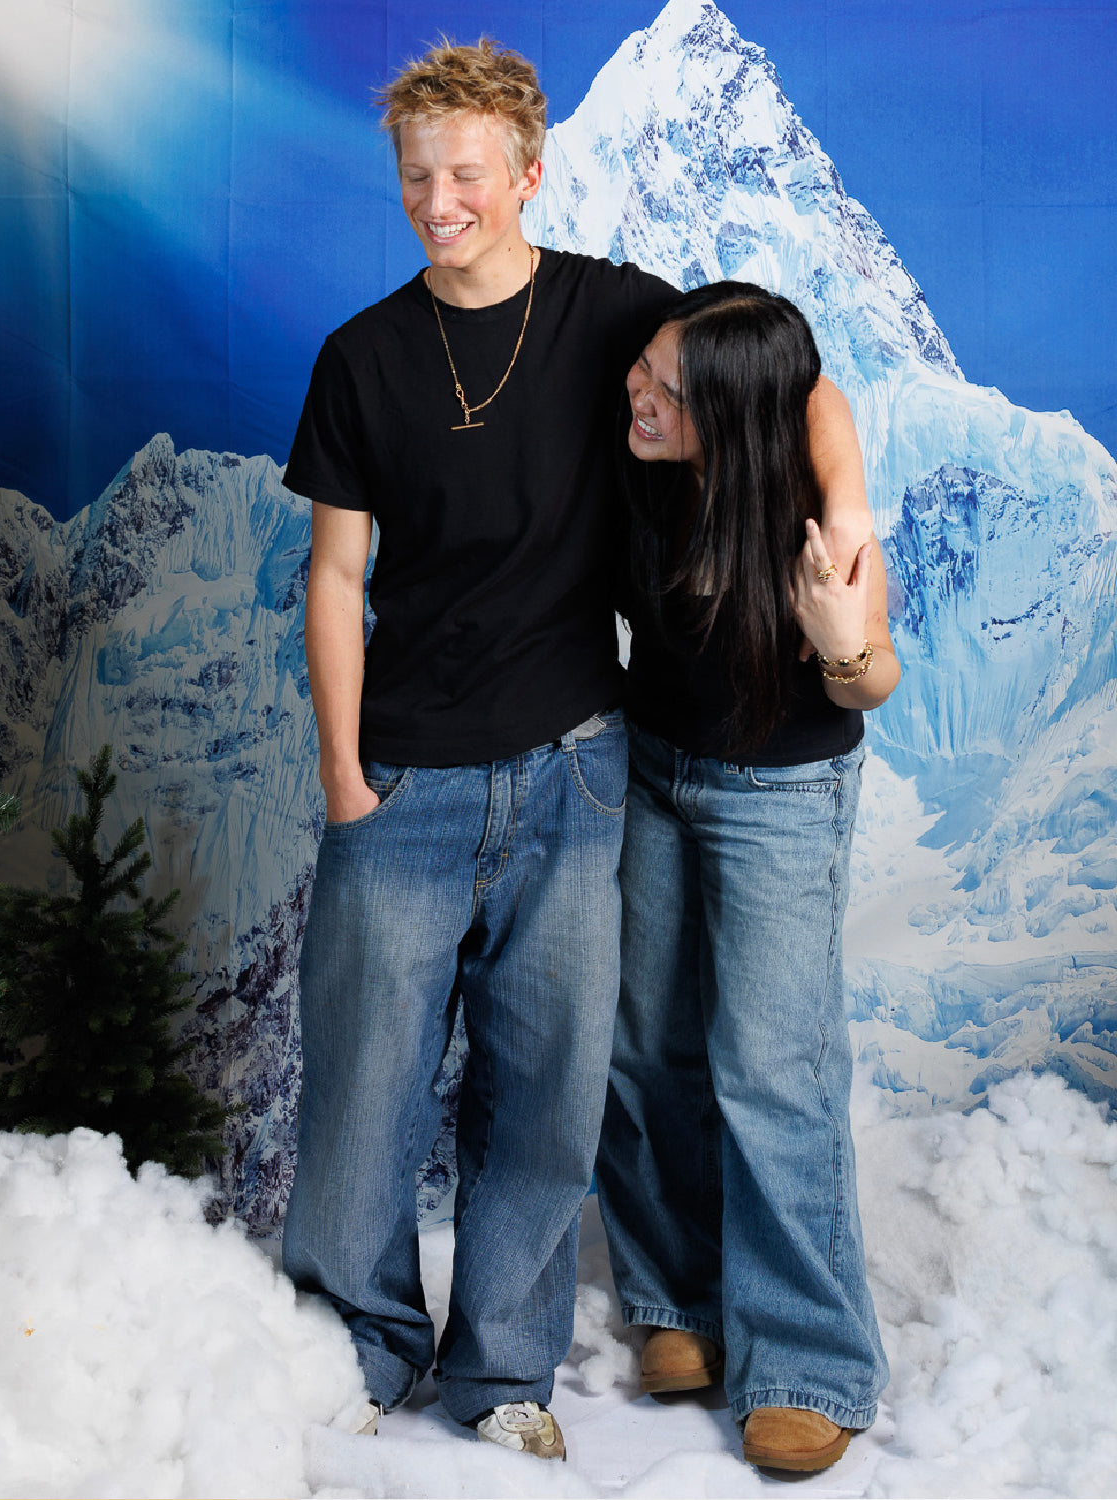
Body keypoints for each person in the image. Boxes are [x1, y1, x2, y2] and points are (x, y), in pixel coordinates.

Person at [279, 39, 873, 1462]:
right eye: (418, 176)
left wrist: (844, 520)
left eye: (468, 174)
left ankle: (508, 1374)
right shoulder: (362, 357)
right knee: (376, 1085)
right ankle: (357, 1349)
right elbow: (331, 575)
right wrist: (341, 764)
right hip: (412, 768)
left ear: (528, 174)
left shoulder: (620, 318)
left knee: (555, 1090)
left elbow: (787, 383)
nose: (440, 202)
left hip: (579, 764)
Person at [595, 281, 899, 1475]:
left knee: (772, 1067)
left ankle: (812, 1363)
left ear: (733, 415)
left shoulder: (812, 519)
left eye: (673, 388)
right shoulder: (647, 449)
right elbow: (810, 382)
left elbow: (870, 682)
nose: (643, 389)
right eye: (649, 368)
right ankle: (679, 1304)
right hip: (656, 768)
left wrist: (839, 638)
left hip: (780, 793)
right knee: (644, 1040)